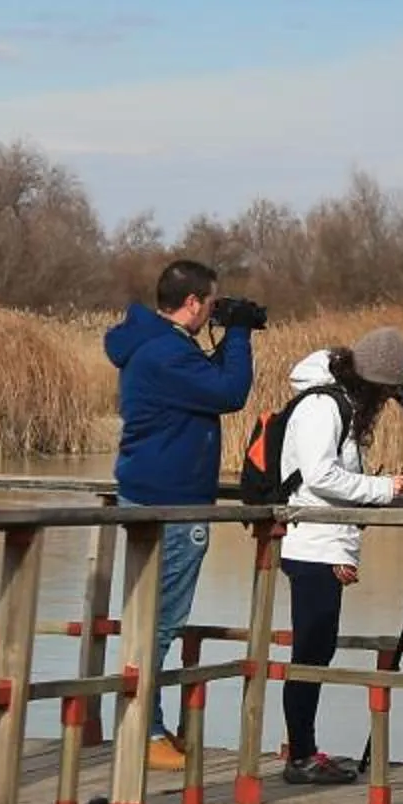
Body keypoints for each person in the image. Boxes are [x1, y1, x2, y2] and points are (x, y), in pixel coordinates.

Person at [102, 259, 258, 770]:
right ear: (192, 303)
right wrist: (239, 334)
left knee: (149, 617)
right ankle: (143, 733)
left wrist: (228, 335)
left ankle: (144, 723)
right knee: (161, 621)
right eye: (211, 304)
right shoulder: (167, 353)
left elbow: (210, 383)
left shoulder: (154, 345)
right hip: (172, 503)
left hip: (150, 495)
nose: (214, 311)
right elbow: (230, 393)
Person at [273, 325, 403, 784]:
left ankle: (304, 750)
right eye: (387, 392)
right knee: (310, 652)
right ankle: (300, 756)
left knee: (318, 650)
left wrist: (346, 549)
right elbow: (319, 476)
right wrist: (381, 488)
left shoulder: (338, 403)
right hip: (309, 545)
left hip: (323, 545)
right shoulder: (323, 406)